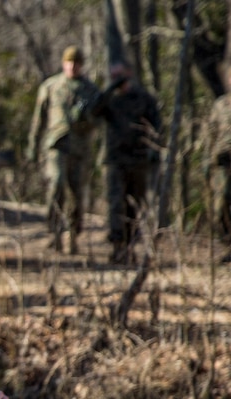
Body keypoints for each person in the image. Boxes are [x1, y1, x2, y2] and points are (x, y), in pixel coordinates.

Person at [27, 45, 101, 255]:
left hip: (80, 148)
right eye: (69, 63)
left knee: (76, 194)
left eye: (76, 64)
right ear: (63, 64)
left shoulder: (91, 90)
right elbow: (38, 119)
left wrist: (86, 117)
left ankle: (73, 235)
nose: (73, 67)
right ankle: (54, 233)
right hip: (56, 144)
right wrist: (33, 146)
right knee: (56, 185)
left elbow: (99, 119)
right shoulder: (51, 86)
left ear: (81, 65)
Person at [92, 62, 162, 264]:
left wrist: (153, 151)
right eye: (113, 76)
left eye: (120, 75)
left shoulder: (144, 98)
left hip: (138, 159)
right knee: (116, 203)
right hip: (115, 160)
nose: (117, 79)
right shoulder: (109, 99)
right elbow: (92, 112)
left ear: (129, 74)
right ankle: (117, 247)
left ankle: (130, 246)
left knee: (134, 205)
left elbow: (157, 126)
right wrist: (110, 89)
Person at [206, 64, 231, 262]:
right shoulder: (220, 104)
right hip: (222, 163)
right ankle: (228, 244)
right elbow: (210, 134)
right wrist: (208, 160)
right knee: (220, 206)